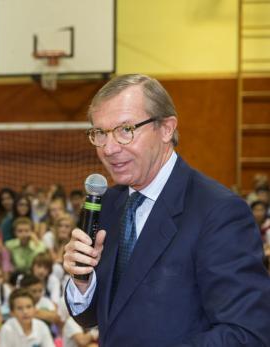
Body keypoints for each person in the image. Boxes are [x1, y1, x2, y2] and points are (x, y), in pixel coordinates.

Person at [62, 74, 270, 346]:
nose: (109, 149)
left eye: (126, 130)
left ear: (166, 128)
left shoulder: (219, 212)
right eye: (100, 133)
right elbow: (98, 316)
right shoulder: (108, 204)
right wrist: (82, 282)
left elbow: (247, 333)